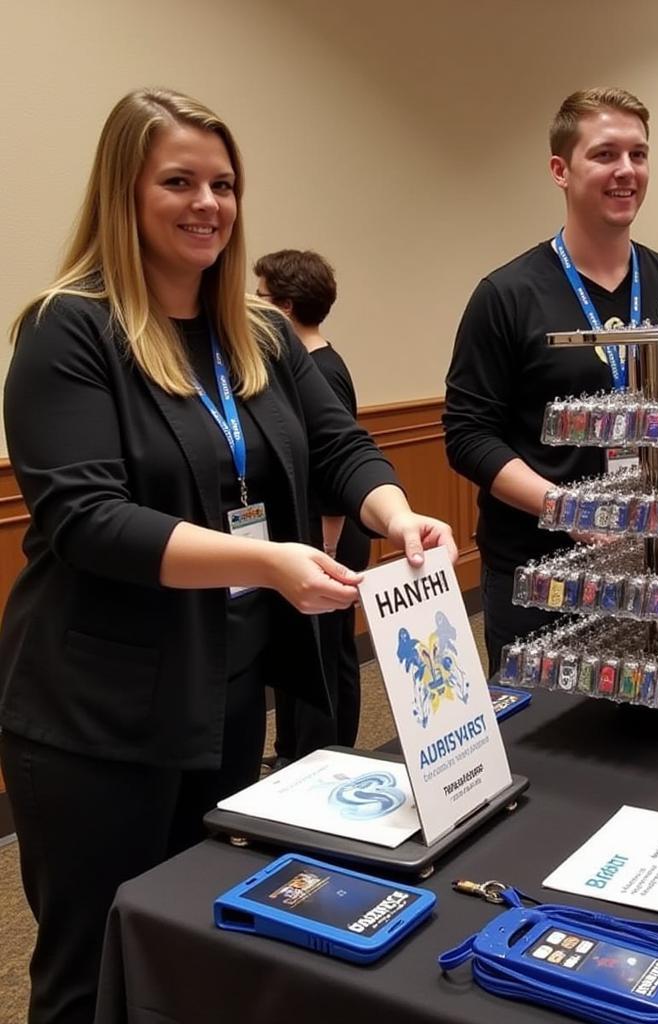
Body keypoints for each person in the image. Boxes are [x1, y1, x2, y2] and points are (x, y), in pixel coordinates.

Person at [0, 88, 455, 1024]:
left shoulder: (256, 333)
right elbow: (88, 518)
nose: (208, 202)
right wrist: (268, 563)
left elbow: (340, 446)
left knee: (189, 939)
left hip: (227, 685)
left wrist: (397, 511)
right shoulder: (67, 328)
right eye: (179, 181)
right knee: (92, 970)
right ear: (124, 192)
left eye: (224, 183)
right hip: (97, 713)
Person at [443, 87, 658, 676]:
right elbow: (468, 435)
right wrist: (570, 510)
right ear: (560, 170)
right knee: (549, 738)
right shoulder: (507, 296)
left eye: (638, 155)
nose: (626, 171)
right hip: (545, 572)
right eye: (605, 154)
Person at [253, 248, 370, 762]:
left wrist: (325, 541)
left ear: (285, 305)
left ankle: (323, 756)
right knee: (313, 651)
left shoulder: (322, 370)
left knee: (325, 658)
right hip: (311, 536)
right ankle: (298, 752)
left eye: (260, 299)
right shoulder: (304, 364)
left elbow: (334, 467)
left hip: (330, 534)